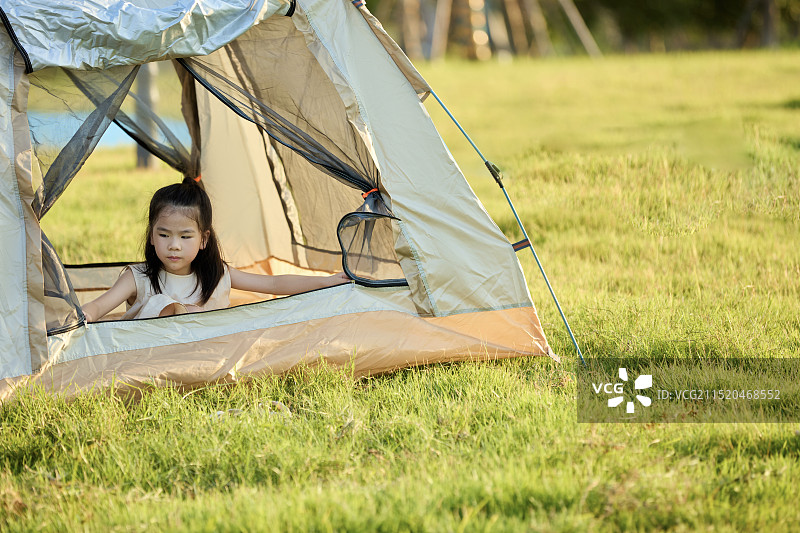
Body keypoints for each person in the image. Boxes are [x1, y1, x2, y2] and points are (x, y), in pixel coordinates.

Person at [82, 178, 349, 322]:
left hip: (204, 356)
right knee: (166, 305)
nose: (174, 245)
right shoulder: (138, 278)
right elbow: (98, 306)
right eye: (164, 235)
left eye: (185, 236)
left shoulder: (217, 275)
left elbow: (274, 283)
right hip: (150, 357)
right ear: (151, 236)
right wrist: (82, 317)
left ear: (203, 239)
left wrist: (326, 282)